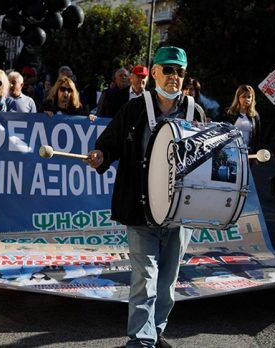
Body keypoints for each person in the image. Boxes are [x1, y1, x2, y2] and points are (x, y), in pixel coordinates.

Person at [85, 46, 205, 348]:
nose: (174, 77)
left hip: (180, 215)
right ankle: (140, 341)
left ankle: (155, 331)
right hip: (140, 211)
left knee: (166, 285)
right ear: (154, 73)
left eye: (179, 71)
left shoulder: (195, 112)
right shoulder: (134, 108)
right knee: (144, 279)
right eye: (168, 70)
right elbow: (108, 144)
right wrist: (101, 155)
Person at [219, 84, 261, 155]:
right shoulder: (229, 113)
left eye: (249, 97)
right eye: (244, 97)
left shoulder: (255, 115)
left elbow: (257, 137)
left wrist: (255, 154)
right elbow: (221, 131)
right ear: (238, 98)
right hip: (230, 151)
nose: (246, 99)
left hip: (247, 151)